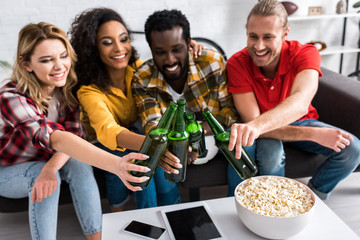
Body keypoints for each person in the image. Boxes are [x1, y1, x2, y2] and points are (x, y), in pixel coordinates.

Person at [0, 22, 150, 240]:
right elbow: (57, 139)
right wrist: (117, 165)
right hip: (8, 170)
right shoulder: (10, 98)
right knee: (40, 175)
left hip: (46, 159)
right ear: (26, 64)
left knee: (78, 164)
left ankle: (96, 238)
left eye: (63, 56)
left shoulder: (65, 91)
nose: (59, 66)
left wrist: (190, 45)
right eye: (46, 60)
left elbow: (74, 136)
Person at [69, 8, 203, 210]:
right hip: (102, 141)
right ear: (93, 48)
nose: (119, 48)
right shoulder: (89, 91)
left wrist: (185, 48)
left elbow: (169, 61)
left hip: (137, 131)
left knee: (152, 157)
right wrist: (153, 145)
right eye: (107, 42)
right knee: (143, 160)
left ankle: (174, 210)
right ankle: (132, 212)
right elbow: (108, 130)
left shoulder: (140, 70)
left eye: (123, 39)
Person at [226, 0, 360, 200]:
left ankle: (311, 199)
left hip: (294, 121)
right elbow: (252, 121)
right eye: (253, 36)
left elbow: (300, 103)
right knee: (271, 157)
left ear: (285, 34)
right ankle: (259, 205)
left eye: (268, 37)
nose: (259, 46)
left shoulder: (305, 53)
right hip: (262, 129)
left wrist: (311, 132)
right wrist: (313, 135)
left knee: (352, 150)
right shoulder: (237, 63)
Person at [132, 9, 256, 197]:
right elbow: (154, 125)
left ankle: (238, 203)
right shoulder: (143, 78)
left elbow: (230, 111)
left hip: (212, 133)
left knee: (241, 144)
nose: (170, 60)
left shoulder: (211, 62)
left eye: (177, 49)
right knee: (155, 154)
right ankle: (171, 214)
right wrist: (179, 144)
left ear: (189, 44)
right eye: (160, 52)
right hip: (174, 143)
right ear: (151, 50)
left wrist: (196, 133)